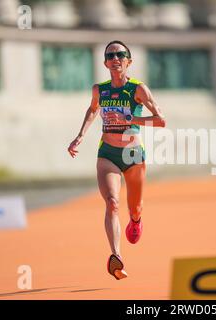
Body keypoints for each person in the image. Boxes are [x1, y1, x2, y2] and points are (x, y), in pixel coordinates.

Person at [67, 40, 166, 280]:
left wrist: (131, 118)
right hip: (108, 154)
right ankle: (116, 256)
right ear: (105, 63)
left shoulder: (138, 89)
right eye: (110, 55)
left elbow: (160, 121)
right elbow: (92, 110)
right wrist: (80, 135)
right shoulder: (99, 90)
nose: (116, 58)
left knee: (134, 208)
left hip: (133, 155)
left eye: (121, 54)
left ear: (129, 61)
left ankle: (136, 220)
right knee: (112, 202)